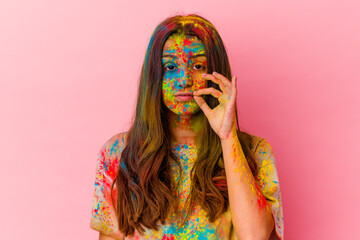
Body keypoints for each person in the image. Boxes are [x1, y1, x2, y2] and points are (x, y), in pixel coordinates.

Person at [90, 14, 284, 240]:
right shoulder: (119, 153)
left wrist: (228, 136)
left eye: (198, 66)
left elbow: (256, 236)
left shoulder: (254, 151)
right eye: (171, 66)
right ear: (154, 75)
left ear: (216, 72)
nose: (184, 79)